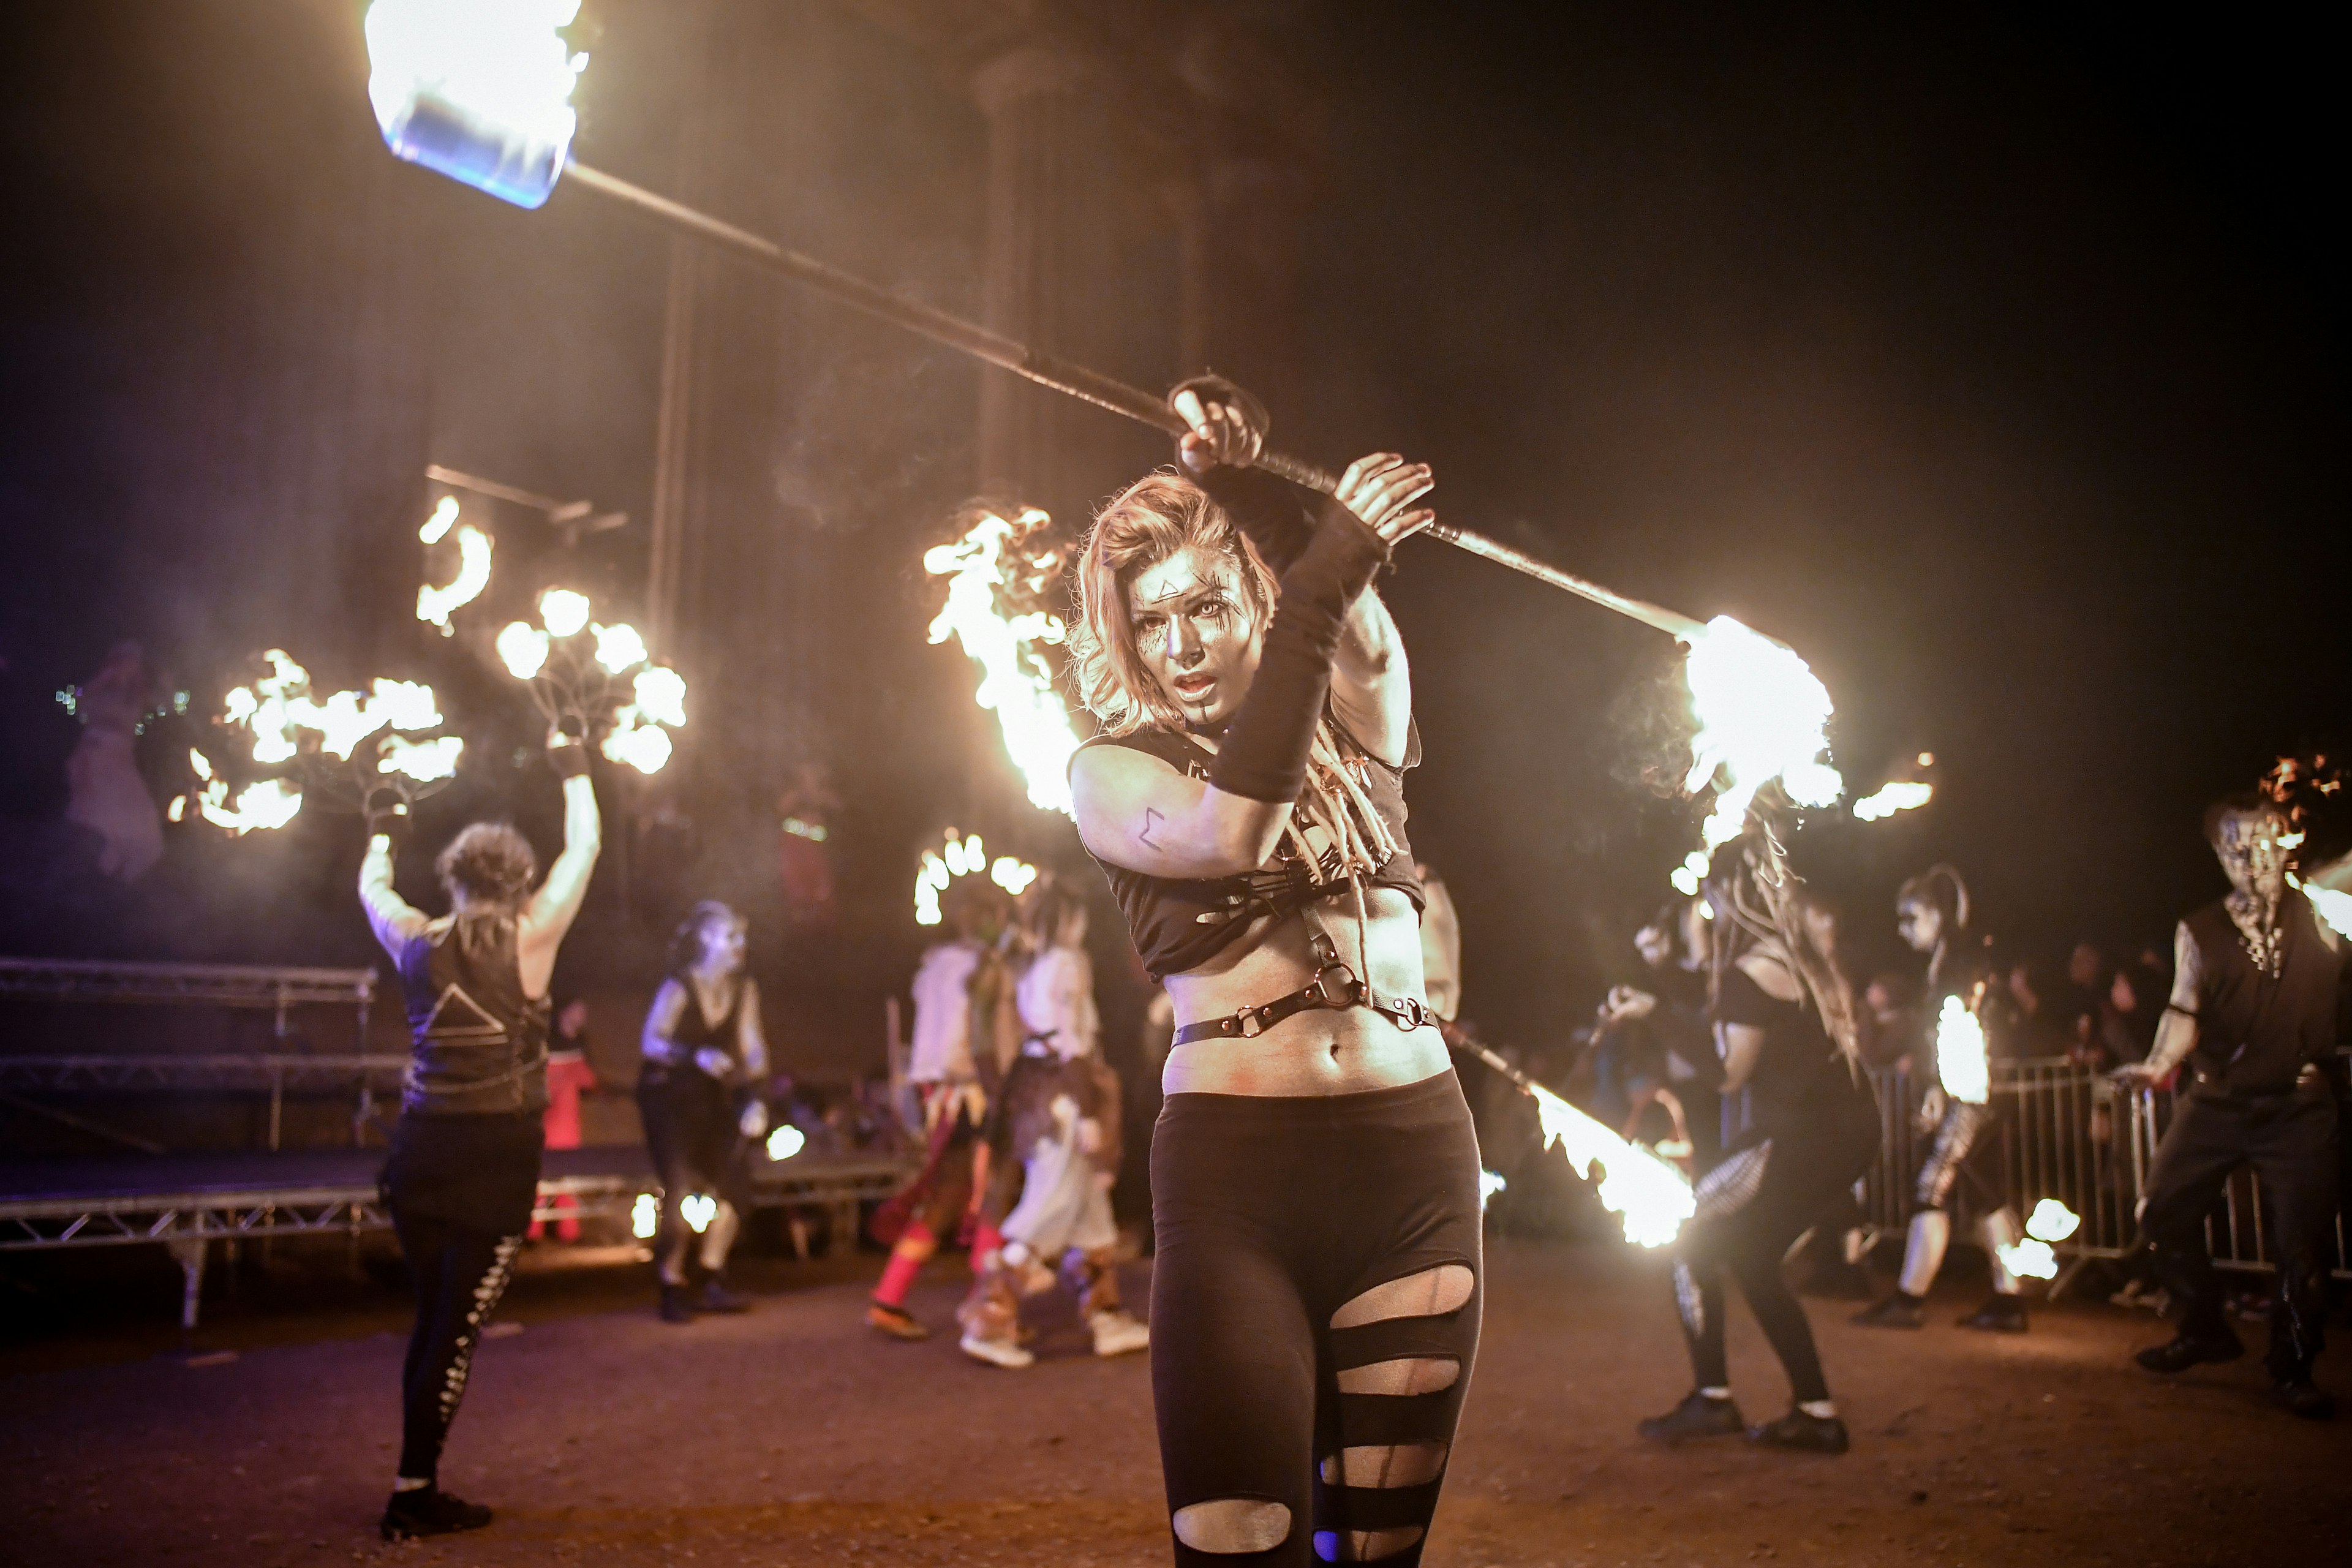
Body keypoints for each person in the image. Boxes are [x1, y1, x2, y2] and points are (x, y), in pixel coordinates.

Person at [1067, 377, 1477, 1566]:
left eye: (1203, 604)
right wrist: (1325, 563)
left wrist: (1244, 485)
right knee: (1238, 1541)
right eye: (1151, 621)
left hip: (1415, 1170)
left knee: (1376, 1553)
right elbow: (1229, 835)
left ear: (1250, 594)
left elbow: (1363, 636)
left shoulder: (1359, 730)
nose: (1181, 644)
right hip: (1238, 1183)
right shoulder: (1111, 771)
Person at [356, 729, 600, 1540]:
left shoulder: (412, 937)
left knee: (435, 1324)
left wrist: (384, 828)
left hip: (419, 1153)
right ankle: (411, 1493)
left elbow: (371, 890)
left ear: (453, 879)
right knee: (453, 1333)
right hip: (494, 1160)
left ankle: (413, 1482)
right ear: (520, 880)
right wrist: (574, 770)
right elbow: (587, 846)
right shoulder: (533, 938)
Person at [1637, 853, 1880, 1455]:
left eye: (1715, 898)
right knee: (1749, 1255)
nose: (1711, 911)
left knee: (1689, 1237)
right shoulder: (1797, 959)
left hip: (1805, 1134)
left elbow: (1726, 1072)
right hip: (1845, 1128)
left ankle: (1714, 1400)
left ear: (1733, 897)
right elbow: (1719, 1012)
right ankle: (1814, 1411)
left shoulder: (1754, 969)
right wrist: (1671, 972)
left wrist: (1651, 1012)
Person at [2116, 793, 2345, 1419]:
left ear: (2288, 841)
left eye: (2267, 839)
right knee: (2161, 1210)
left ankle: (2293, 1367)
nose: (2254, 856)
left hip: (2300, 1104)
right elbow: (2183, 1006)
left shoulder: (2327, 910)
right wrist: (2161, 1062)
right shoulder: (2199, 929)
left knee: (2302, 1244)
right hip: (2217, 1098)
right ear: (2219, 855)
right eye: (2237, 845)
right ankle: (2204, 1326)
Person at [957, 881, 1151, 1366]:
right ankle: (990, 1319)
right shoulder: (1067, 963)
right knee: (1050, 1207)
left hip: (1039, 1094)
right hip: (1064, 1099)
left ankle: (1105, 1317)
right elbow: (1071, 1043)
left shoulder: (1032, 966)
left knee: (1092, 1221)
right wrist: (1088, 1112)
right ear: (1068, 920)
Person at [1853, 864, 2032, 1333]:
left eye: (1911, 918)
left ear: (1935, 914)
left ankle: (1910, 1299)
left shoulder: (1960, 961)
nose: (1903, 929)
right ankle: (2008, 1301)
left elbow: (1957, 1026)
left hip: (1969, 1092)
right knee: (1985, 1194)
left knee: (1932, 1188)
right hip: (1976, 1089)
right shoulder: (1960, 958)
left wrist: (1937, 1086)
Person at [866, 881, 1008, 1340]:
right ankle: (987, 1306)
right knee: (992, 1196)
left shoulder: (934, 965)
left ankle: (890, 1296)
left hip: (941, 1095)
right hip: (975, 1092)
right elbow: (980, 1041)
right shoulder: (982, 966)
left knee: (948, 1199)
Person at [636, 900, 769, 1323]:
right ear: (707, 940)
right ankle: (672, 1283)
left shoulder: (744, 989)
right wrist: (695, 1055)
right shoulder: (680, 986)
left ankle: (711, 1277)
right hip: (667, 1097)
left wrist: (757, 1099)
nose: (741, 945)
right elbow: (651, 1042)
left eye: (743, 937)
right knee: (681, 1189)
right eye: (732, 937)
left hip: (710, 1097)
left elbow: (753, 1047)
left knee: (733, 1183)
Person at [530, 999, 600, 1242]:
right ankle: (567, 1231)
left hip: (547, 1123)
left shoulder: (543, 1046)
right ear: (565, 1012)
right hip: (563, 1124)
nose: (582, 1017)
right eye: (578, 1011)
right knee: (566, 1178)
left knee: (541, 1177)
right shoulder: (572, 1052)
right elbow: (590, 1081)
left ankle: (536, 1231)